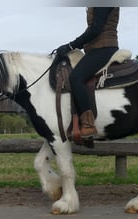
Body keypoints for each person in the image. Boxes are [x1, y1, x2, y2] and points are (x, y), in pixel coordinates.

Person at [56, 7, 119, 139]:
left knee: (76, 77)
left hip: (104, 48)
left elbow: (95, 29)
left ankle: (88, 125)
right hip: (97, 48)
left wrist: (71, 46)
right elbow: (92, 28)